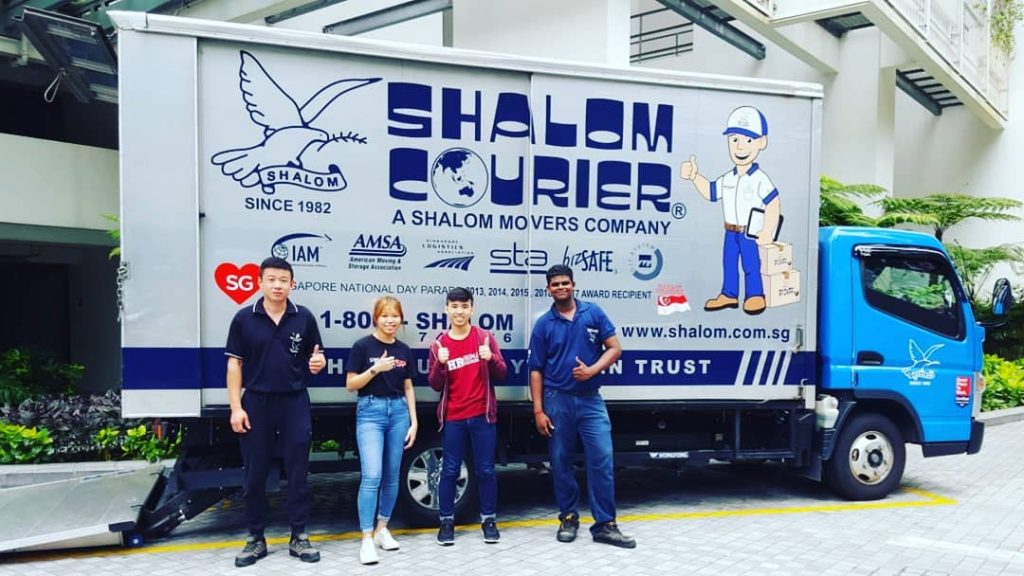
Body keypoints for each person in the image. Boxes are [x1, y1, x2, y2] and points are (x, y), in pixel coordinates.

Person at [225, 256, 326, 568]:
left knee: (298, 472)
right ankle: (255, 538)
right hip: (256, 402)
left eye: (283, 280)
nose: (277, 285)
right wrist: (236, 408)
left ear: (292, 284)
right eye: (271, 279)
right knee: (255, 474)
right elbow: (234, 365)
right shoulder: (244, 318)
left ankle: (299, 535)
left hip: (295, 401)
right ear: (260, 282)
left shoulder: (303, 317)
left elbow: (316, 357)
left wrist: (318, 364)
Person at [528, 264, 635, 549]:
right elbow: (536, 369)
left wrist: (592, 370)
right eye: (555, 284)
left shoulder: (593, 312)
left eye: (565, 283)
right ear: (548, 289)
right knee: (561, 461)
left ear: (573, 285)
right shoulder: (544, 324)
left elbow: (615, 347)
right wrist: (538, 410)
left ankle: (605, 525)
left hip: (591, 400)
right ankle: (568, 518)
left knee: (602, 458)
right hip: (557, 400)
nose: (561, 287)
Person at [679, 105, 781, 315]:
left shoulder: (760, 179)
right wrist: (694, 177)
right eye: (734, 140)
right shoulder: (729, 178)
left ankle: (755, 295)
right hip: (730, 231)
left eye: (748, 140)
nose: (740, 147)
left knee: (751, 264)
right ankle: (729, 294)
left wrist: (768, 231)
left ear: (762, 142)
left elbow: (773, 203)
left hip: (749, 232)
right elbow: (711, 192)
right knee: (729, 263)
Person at [427, 287, 508, 546]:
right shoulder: (439, 344)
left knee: (485, 470)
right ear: (446, 309)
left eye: (464, 306)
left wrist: (491, 358)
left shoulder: (484, 338)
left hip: (482, 416)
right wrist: (440, 364)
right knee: (450, 470)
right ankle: (446, 521)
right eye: (454, 306)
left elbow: (502, 373)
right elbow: (435, 384)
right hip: (454, 418)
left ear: (472, 309)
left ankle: (489, 520)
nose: (459, 311)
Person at [346, 295, 418, 565]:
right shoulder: (362, 346)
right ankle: (366, 538)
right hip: (370, 412)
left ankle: (382, 529)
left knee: (391, 475)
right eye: (385, 315)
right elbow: (351, 384)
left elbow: (408, 386)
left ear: (401, 319)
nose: (390, 320)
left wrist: (414, 421)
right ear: (376, 318)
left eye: (395, 315)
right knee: (372, 475)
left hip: (398, 412)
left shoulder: (404, 350)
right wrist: (375, 369)